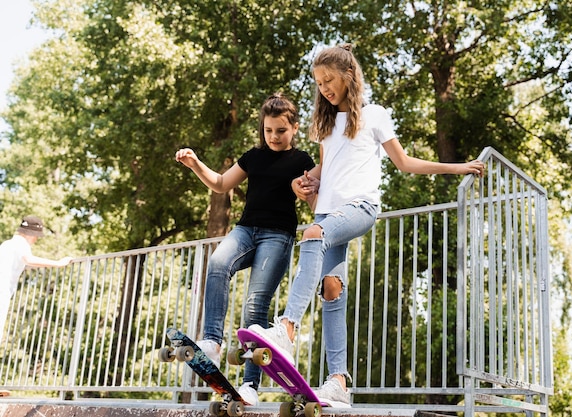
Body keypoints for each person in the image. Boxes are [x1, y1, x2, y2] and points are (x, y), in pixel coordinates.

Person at [248, 44, 485, 407]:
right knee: (331, 288)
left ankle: (288, 328)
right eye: (319, 83)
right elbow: (324, 171)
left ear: (348, 75)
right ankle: (339, 381)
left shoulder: (374, 115)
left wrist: (457, 167)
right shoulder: (325, 124)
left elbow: (404, 163)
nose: (325, 88)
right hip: (328, 212)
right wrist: (304, 181)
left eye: (329, 80)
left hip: (360, 207)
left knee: (312, 235)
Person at [174, 93, 316, 406]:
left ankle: (250, 384)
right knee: (218, 262)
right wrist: (196, 163)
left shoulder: (303, 161)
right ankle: (211, 340)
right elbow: (221, 184)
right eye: (268, 131)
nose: (274, 137)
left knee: (255, 303)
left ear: (294, 127)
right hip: (246, 230)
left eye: (281, 130)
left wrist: (309, 193)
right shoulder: (254, 156)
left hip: (277, 236)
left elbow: (312, 193)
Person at [0, 215, 73, 343]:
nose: (36, 240)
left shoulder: (7, 244)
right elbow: (29, 259)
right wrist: (57, 263)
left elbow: (22, 263)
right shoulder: (21, 244)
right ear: (31, 234)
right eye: (36, 236)